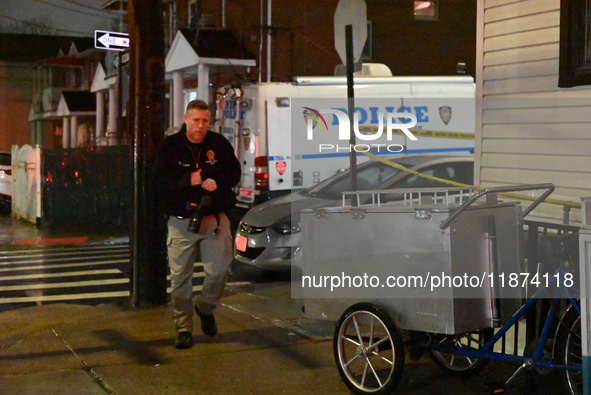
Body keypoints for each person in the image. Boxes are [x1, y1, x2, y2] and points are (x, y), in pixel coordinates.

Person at [155, 99, 241, 349]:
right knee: (180, 277)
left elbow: (234, 171)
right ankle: (183, 327)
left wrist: (218, 181)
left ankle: (205, 308)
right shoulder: (171, 146)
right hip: (181, 220)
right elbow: (158, 178)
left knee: (220, 270)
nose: (201, 125)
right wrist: (186, 179)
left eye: (205, 120)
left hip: (214, 219)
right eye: (196, 120)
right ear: (185, 119)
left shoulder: (218, 143)